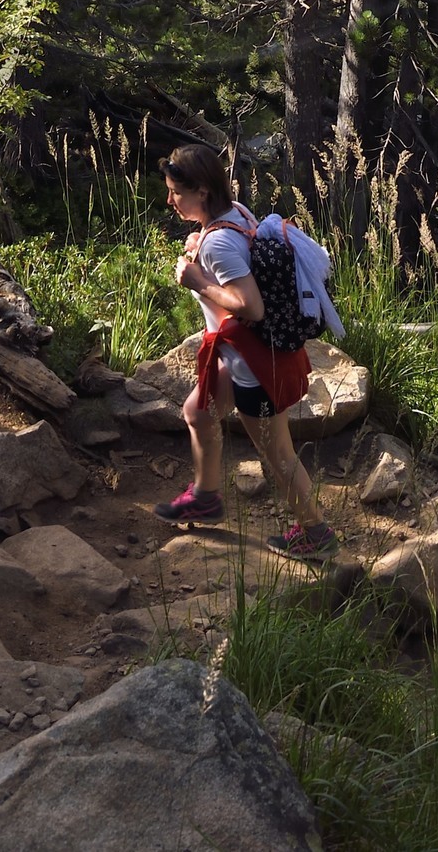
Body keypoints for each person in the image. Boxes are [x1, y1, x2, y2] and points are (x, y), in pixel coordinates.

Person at [151, 141, 336, 562]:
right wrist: (202, 244)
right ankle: (206, 497)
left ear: (202, 192)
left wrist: (196, 279)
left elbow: (251, 306)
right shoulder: (239, 217)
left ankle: (317, 534)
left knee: (278, 455)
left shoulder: (218, 245)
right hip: (234, 355)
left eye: (177, 192)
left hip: (253, 366)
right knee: (198, 413)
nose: (170, 200)